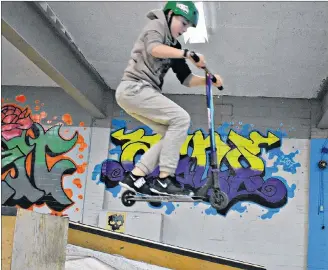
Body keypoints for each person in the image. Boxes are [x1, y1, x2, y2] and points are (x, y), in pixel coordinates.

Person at [116, 1, 223, 196]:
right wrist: (188, 54)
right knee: (181, 118)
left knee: (171, 134)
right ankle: (164, 179)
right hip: (134, 87)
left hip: (139, 94)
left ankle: (135, 176)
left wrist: (209, 80)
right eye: (183, 23)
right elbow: (154, 49)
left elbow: (186, 79)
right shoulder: (156, 25)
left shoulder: (174, 45)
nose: (184, 30)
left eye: (188, 27)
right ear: (171, 14)